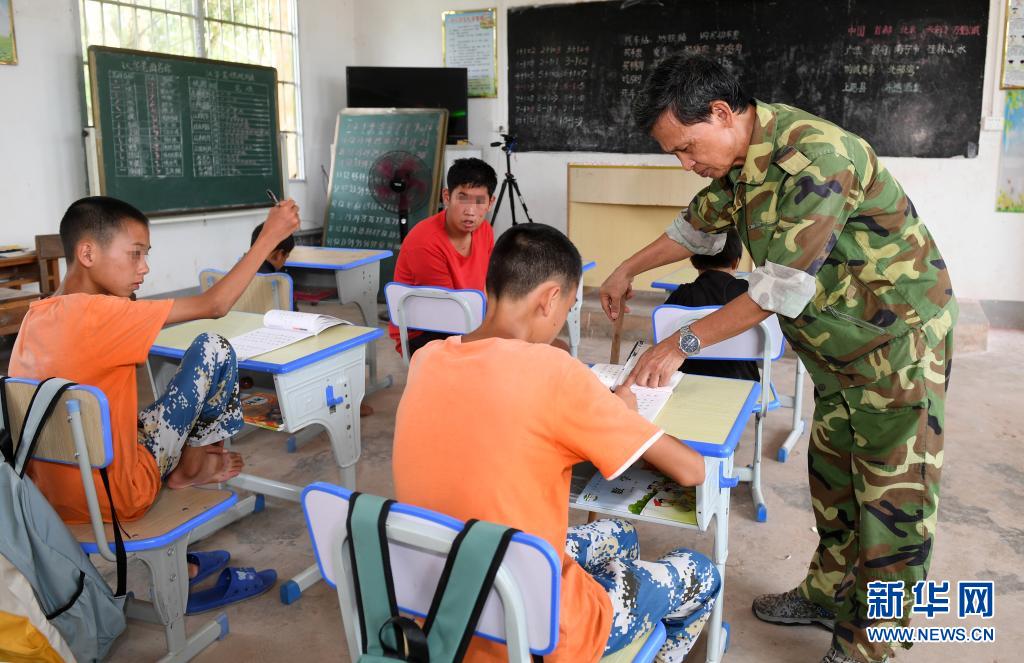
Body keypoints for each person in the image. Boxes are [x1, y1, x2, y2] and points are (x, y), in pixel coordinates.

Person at [599, 53, 956, 663]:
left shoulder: (818, 158)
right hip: (839, 351)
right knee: (835, 480)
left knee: (892, 503)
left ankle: (871, 646)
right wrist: (625, 269)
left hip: (897, 349)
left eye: (686, 148)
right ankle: (827, 595)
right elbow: (694, 229)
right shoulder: (740, 160)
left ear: (720, 112)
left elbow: (775, 291)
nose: (686, 165)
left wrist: (679, 343)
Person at [393, 223, 720, 663]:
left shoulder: (427, 359)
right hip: (534, 627)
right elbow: (691, 470)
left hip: (438, 597)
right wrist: (622, 413)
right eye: (566, 309)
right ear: (549, 298)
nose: (560, 322)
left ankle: (613, 604)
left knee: (620, 534)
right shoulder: (552, 372)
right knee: (702, 571)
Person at [9, 195, 299, 606]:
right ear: (87, 253)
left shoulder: (35, 315)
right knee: (213, 349)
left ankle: (187, 473)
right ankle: (191, 468)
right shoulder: (107, 315)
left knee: (132, 413)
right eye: (135, 254)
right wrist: (270, 236)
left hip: (48, 498)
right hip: (119, 496)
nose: (144, 267)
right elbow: (215, 304)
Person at [388, 157, 497, 356]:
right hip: (426, 333)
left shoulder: (485, 231)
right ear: (447, 197)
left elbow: (487, 287)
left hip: (467, 320)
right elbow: (446, 316)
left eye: (479, 201)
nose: (470, 211)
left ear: (490, 203)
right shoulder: (425, 242)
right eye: (462, 198)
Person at [666, 228, 758, 381]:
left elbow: (663, 335)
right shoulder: (751, 295)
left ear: (693, 261)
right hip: (742, 383)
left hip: (687, 381)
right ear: (736, 262)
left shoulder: (680, 295)